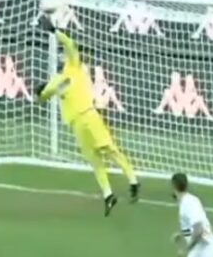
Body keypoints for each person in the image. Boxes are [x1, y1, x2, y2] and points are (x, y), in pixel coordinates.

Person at [35, 12, 139, 216]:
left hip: (90, 115)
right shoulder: (55, 81)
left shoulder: (75, 67)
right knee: (94, 160)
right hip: (76, 124)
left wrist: (54, 31)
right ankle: (108, 195)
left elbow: (70, 44)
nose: (62, 57)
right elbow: (42, 98)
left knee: (110, 149)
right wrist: (39, 91)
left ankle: (133, 181)